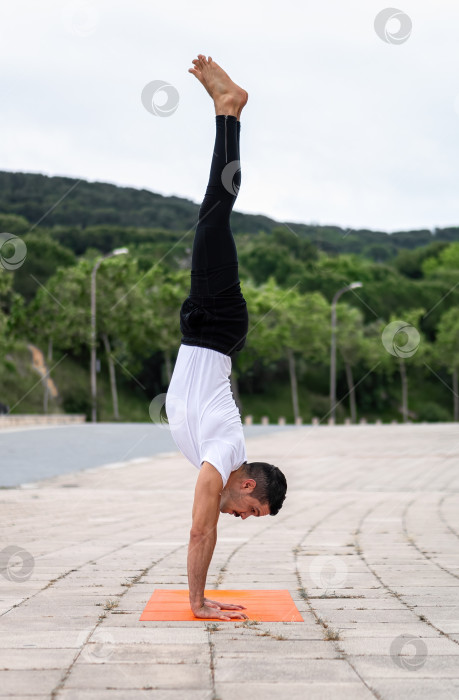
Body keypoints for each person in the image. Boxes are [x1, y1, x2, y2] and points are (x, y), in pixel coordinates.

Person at [166, 55, 287, 621]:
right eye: (250, 510)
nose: (241, 518)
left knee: (214, 215)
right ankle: (229, 109)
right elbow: (200, 528)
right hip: (215, 325)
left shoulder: (223, 461)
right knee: (215, 214)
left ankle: (227, 110)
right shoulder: (225, 453)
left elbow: (207, 522)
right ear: (245, 482)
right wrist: (197, 602)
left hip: (205, 329)